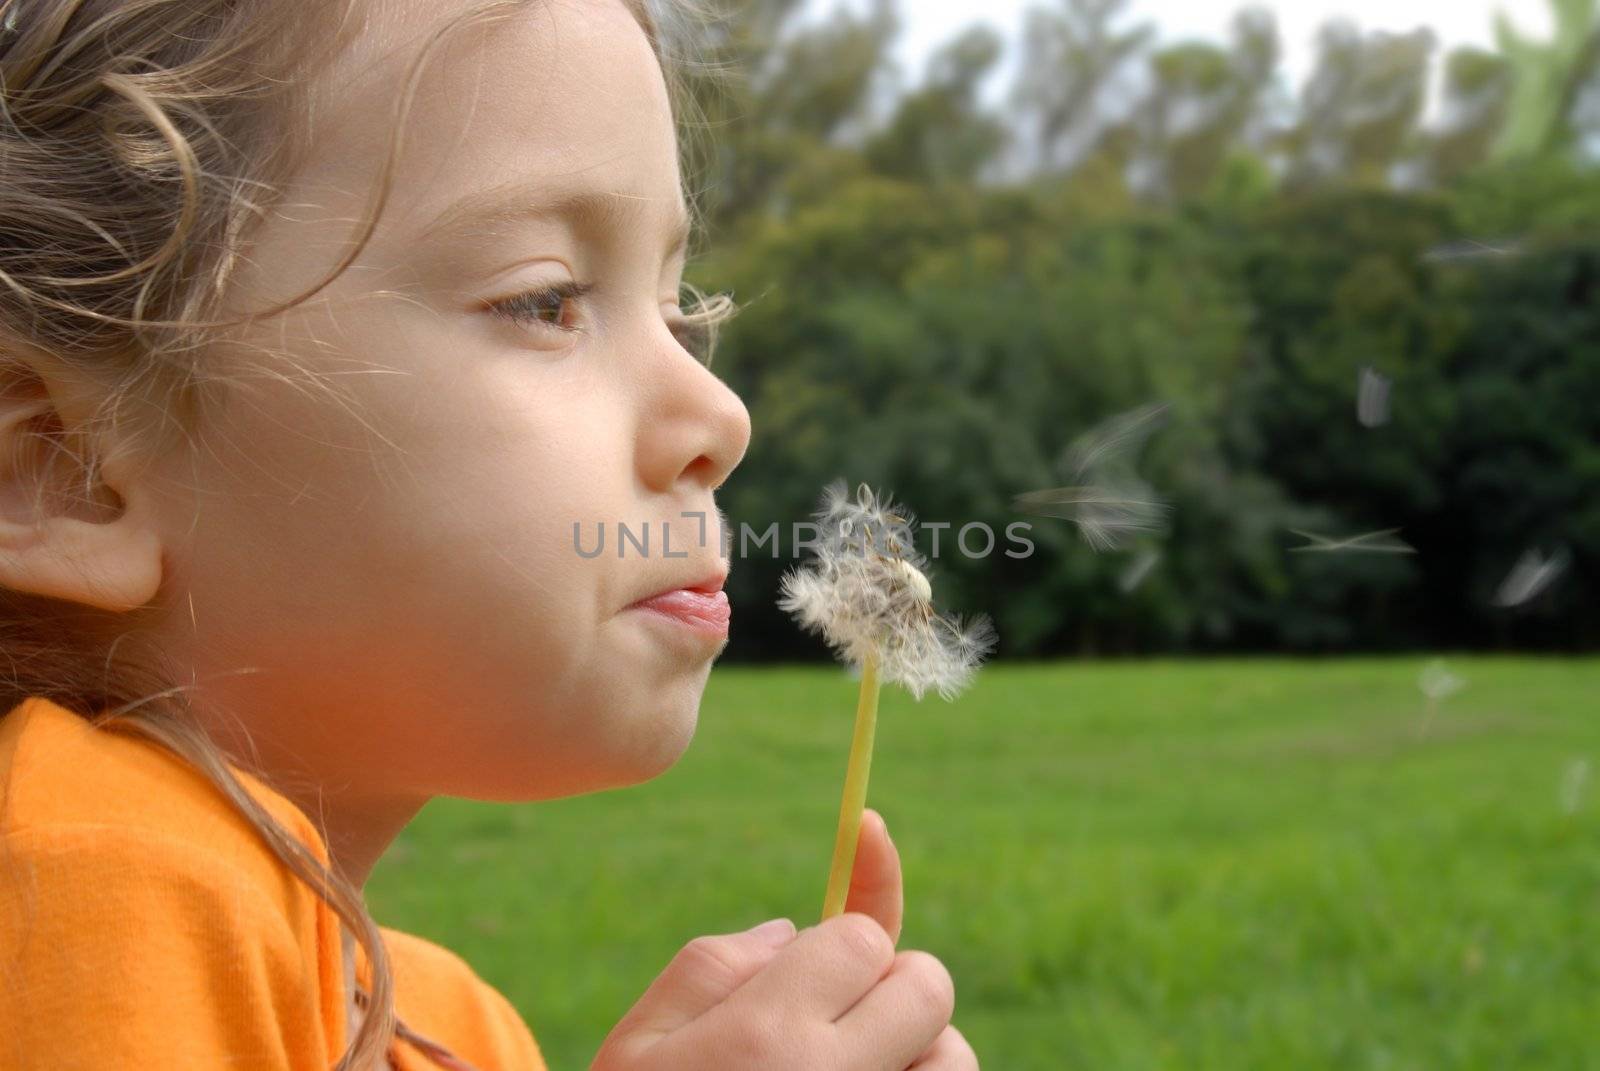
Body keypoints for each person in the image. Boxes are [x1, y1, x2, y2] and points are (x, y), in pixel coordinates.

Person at [0, 0, 978, 1068]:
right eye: (544, 299)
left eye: (678, 306)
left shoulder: (466, 1029)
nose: (719, 415)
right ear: (62, 469)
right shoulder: (78, 879)